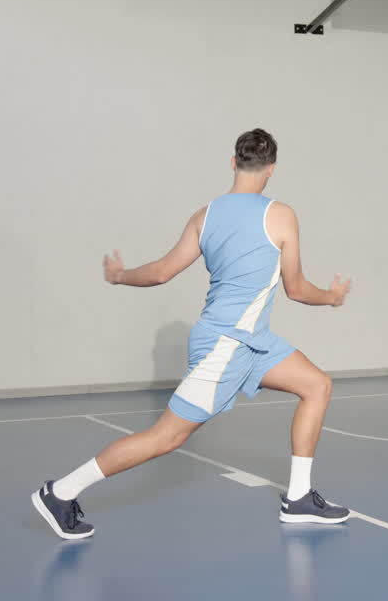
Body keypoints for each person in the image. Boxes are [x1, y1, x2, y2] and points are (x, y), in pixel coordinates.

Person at [31, 128, 352, 539]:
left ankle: (299, 498)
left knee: (317, 385)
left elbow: (163, 271)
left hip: (253, 341)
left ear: (233, 162)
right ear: (271, 169)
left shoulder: (206, 216)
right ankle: (60, 492)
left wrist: (120, 275)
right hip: (226, 345)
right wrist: (332, 297)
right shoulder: (282, 214)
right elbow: (297, 289)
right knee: (166, 437)